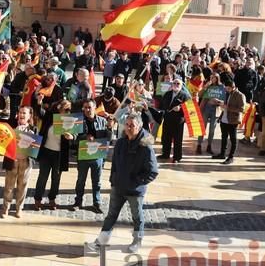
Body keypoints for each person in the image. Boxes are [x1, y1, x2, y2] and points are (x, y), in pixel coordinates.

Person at [90, 113, 158, 253]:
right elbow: (114, 163)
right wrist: (113, 179)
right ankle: (101, 241)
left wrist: (136, 182)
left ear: (139, 127)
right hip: (118, 186)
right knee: (111, 215)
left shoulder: (145, 146)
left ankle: (137, 241)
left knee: (137, 217)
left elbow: (152, 172)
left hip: (134, 190)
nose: (128, 128)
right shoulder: (120, 142)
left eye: (132, 125)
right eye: (127, 125)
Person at [71, 99, 110, 213]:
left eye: (89, 107)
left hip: (97, 156)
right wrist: (83, 138)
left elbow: (108, 139)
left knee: (97, 181)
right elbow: (75, 138)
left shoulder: (102, 121)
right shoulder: (79, 121)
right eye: (85, 108)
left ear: (94, 108)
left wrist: (110, 128)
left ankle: (96, 203)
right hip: (83, 155)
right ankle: (78, 201)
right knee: (80, 180)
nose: (87, 110)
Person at [34, 99, 72, 210]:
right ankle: (37, 199)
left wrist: (72, 136)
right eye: (65, 109)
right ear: (59, 108)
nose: (67, 111)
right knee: (43, 177)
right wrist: (38, 102)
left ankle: (52, 200)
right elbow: (39, 112)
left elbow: (76, 133)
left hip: (59, 154)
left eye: (68, 110)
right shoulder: (50, 116)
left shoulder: (69, 120)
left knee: (56, 178)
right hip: (46, 151)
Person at [1, 106, 35, 218]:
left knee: (22, 186)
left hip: (25, 161)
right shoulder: (11, 126)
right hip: (12, 160)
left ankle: (19, 209)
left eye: (24, 113)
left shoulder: (33, 129)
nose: (21, 115)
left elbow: (35, 147)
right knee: (9, 186)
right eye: (20, 112)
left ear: (29, 116)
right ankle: (6, 208)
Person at [212, 80, 245, 164]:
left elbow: (241, 109)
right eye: (226, 88)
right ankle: (222, 154)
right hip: (224, 119)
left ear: (233, 87)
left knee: (233, 139)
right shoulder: (227, 93)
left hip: (233, 120)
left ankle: (231, 157)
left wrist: (227, 107)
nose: (227, 90)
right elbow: (225, 104)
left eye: (228, 88)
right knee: (224, 138)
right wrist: (219, 102)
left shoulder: (240, 95)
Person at [159, 79, 191, 163]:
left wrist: (180, 109)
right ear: (172, 84)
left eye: (178, 83)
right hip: (167, 119)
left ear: (181, 85)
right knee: (166, 138)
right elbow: (162, 105)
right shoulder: (167, 94)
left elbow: (189, 110)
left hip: (178, 121)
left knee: (177, 139)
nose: (176, 85)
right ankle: (165, 154)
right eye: (174, 83)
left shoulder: (185, 96)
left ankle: (177, 157)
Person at [197, 73, 226, 155]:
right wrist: (205, 87)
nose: (212, 79)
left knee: (212, 129)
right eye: (211, 78)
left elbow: (224, 99)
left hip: (216, 109)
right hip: (206, 108)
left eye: (214, 78)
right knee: (203, 128)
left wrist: (218, 101)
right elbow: (199, 95)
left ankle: (209, 146)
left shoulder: (221, 87)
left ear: (217, 78)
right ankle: (199, 145)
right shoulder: (208, 85)